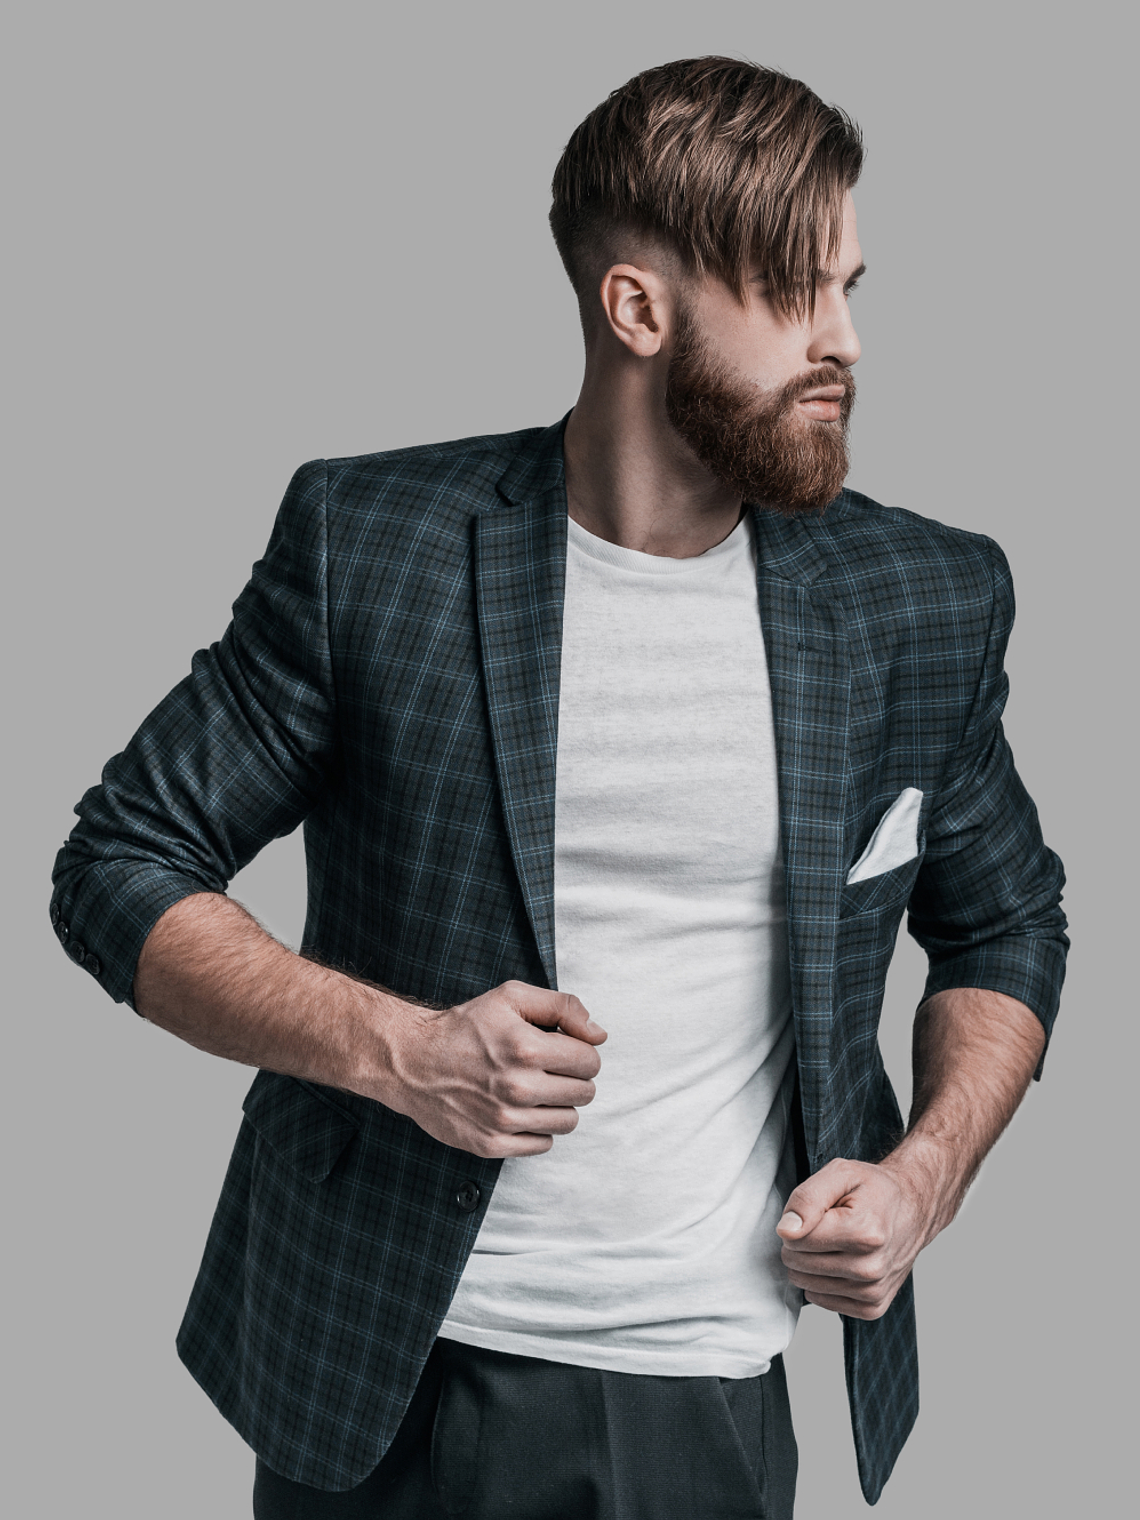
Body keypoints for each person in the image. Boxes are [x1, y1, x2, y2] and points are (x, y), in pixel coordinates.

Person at [50, 56, 1067, 1519]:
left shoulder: (919, 597)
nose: (843, 341)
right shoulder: (373, 546)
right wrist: (397, 1048)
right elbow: (119, 863)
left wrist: (923, 1179)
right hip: (376, 1371)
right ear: (637, 310)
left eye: (849, 288)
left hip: (704, 1384)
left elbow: (1005, 925)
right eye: (795, 293)